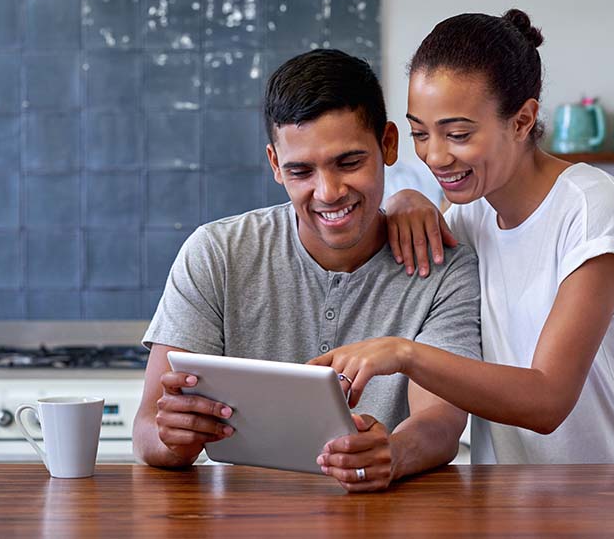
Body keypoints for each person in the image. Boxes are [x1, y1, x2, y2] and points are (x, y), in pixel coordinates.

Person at [311, 10, 614, 464]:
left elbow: (547, 400)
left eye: (459, 134)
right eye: (420, 133)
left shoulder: (593, 210)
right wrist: (405, 198)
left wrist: (405, 354)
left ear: (523, 120)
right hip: (517, 507)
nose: (436, 155)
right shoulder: (469, 214)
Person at [133, 49, 482, 491]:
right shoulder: (216, 253)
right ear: (276, 164)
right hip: (241, 515)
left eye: (349, 163)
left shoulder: (444, 267)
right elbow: (147, 429)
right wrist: (173, 441)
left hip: (383, 516)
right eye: (301, 170)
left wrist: (392, 453)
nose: (329, 192)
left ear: (388, 144)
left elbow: (441, 421)